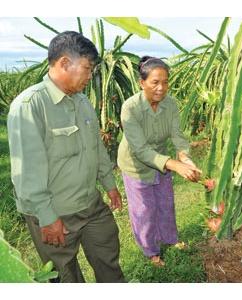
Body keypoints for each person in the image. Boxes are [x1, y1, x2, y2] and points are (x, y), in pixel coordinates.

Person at [7, 31, 125, 283]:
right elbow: (27, 172)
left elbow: (96, 147)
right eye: (86, 68)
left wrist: (109, 184)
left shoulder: (81, 101)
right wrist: (47, 218)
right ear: (63, 63)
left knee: (109, 261)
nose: (90, 76)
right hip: (54, 211)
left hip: (90, 204)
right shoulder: (30, 106)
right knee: (65, 276)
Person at [118, 56, 202, 266]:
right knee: (144, 210)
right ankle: (151, 251)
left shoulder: (171, 105)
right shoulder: (130, 108)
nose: (161, 88)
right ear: (142, 83)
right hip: (136, 164)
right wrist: (174, 164)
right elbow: (141, 150)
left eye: (165, 82)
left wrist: (185, 157)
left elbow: (177, 136)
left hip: (162, 160)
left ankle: (170, 239)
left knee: (165, 203)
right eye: (155, 82)